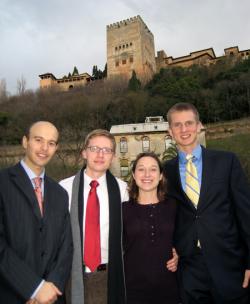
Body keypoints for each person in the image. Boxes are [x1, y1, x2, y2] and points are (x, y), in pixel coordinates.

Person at [164, 102, 250, 304]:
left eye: (188, 123)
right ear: (170, 131)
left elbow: (245, 213)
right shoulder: (165, 171)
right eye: (177, 125)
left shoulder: (227, 161)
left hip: (230, 263)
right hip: (189, 268)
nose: (184, 130)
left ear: (199, 125)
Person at [0, 121, 73, 304]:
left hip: (51, 297)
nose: (44, 148)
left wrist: (51, 287)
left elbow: (66, 246)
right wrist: (33, 287)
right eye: (38, 140)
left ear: (56, 148)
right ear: (25, 142)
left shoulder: (60, 193)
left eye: (51, 143)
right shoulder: (2, 183)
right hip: (11, 294)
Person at [60, 129, 128, 304]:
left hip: (109, 277)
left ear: (113, 156)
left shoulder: (123, 190)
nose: (100, 154)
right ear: (84, 152)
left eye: (107, 150)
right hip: (73, 276)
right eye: (95, 148)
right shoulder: (64, 189)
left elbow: (133, 231)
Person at [123, 152, 180, 304]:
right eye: (141, 169)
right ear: (134, 175)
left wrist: (179, 254)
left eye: (153, 169)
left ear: (161, 175)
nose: (147, 174)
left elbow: (185, 239)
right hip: (133, 291)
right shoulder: (122, 210)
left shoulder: (174, 206)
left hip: (170, 289)